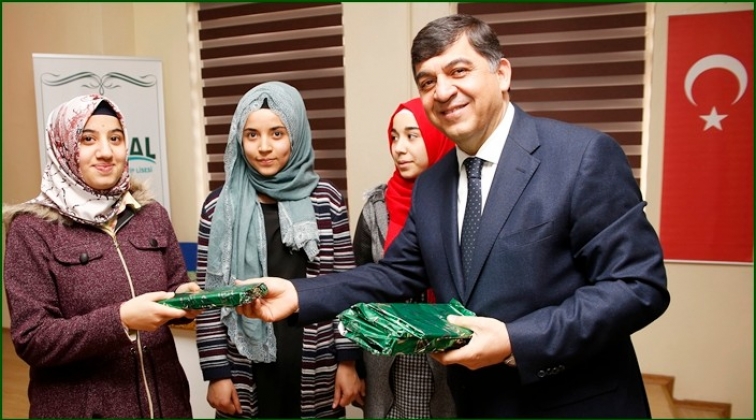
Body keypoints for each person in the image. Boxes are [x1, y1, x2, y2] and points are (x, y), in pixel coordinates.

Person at [236, 14, 670, 418]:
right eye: (427, 81)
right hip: (474, 402)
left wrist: (515, 341)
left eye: (458, 71)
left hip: (573, 402)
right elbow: (395, 274)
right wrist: (298, 294)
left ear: (502, 74)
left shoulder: (581, 156)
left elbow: (638, 285)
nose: (442, 92)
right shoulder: (432, 184)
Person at [2, 94, 199, 418]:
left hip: (167, 405)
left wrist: (183, 300)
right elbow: (32, 339)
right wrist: (121, 320)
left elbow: (173, 284)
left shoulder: (152, 214)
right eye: (88, 139)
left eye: (115, 138)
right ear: (64, 147)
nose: (106, 152)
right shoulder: (32, 229)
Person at [193, 81, 363, 418]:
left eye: (277, 133)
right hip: (244, 366)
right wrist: (217, 373)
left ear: (295, 135)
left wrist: (348, 362)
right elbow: (209, 299)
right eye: (251, 135)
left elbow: (346, 290)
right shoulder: (218, 207)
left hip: (316, 364)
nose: (263, 147)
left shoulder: (326, 200)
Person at [352, 97, 456, 418]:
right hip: (386, 363)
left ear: (437, 136)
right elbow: (359, 290)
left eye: (412, 136)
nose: (399, 148)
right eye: (394, 137)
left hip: (446, 360)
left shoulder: (462, 203)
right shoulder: (376, 208)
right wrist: (356, 366)